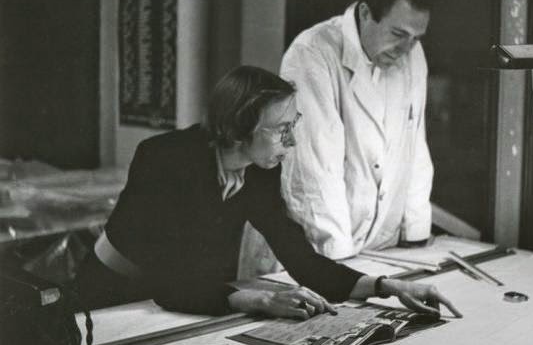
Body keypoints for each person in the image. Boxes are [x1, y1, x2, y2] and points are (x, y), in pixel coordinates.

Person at [74, 66, 460, 320]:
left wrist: (387, 286)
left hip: (183, 301)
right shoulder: (165, 159)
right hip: (111, 299)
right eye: (281, 130)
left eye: (294, 125)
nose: (292, 142)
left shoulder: (259, 171)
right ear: (237, 129)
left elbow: (301, 258)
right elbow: (168, 280)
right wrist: (261, 299)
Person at [280, 0, 435, 260]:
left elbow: (415, 146)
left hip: (379, 248)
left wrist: (415, 235)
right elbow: (315, 171)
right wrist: (338, 260)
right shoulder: (312, 53)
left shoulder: (412, 53)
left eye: (416, 38)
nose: (406, 48)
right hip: (317, 250)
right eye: (398, 33)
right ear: (365, 13)